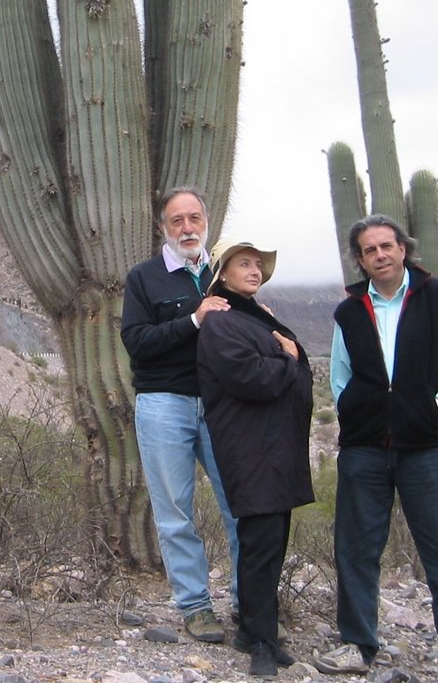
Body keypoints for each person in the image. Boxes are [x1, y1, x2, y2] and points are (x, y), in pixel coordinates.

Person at [314, 214, 438, 683]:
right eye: (370, 250)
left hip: (425, 447)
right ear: (360, 259)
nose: (380, 255)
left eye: (387, 246)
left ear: (403, 248)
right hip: (365, 448)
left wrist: (437, 405)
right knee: (356, 548)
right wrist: (357, 411)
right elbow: (341, 375)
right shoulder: (349, 310)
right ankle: (357, 644)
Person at [120, 187, 240, 643]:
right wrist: (194, 319)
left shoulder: (223, 270)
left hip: (223, 404)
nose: (187, 228)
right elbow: (137, 341)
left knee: (241, 505)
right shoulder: (144, 278)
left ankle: (250, 603)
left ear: (206, 221)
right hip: (164, 402)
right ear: (162, 229)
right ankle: (195, 607)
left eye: (193, 218)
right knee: (174, 512)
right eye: (177, 221)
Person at [196, 238, 314, 677]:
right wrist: (287, 361)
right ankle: (260, 638)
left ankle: (253, 629)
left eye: (259, 265)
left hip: (274, 445)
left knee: (272, 538)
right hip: (250, 447)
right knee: (260, 542)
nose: (255, 270)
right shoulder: (222, 323)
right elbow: (250, 377)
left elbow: (298, 366)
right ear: (222, 274)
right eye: (244, 263)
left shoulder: (258, 317)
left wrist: (289, 361)